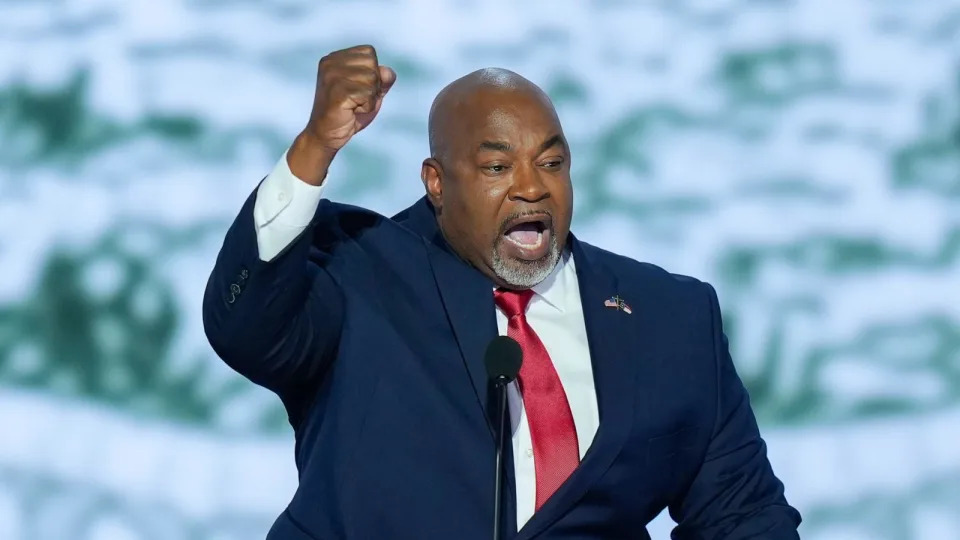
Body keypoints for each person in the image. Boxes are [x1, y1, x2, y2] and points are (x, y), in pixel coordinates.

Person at [203, 44, 801, 539]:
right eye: (496, 168)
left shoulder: (670, 318)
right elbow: (247, 326)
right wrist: (315, 147)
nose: (531, 188)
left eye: (552, 163)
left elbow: (743, 516)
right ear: (436, 183)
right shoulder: (361, 275)